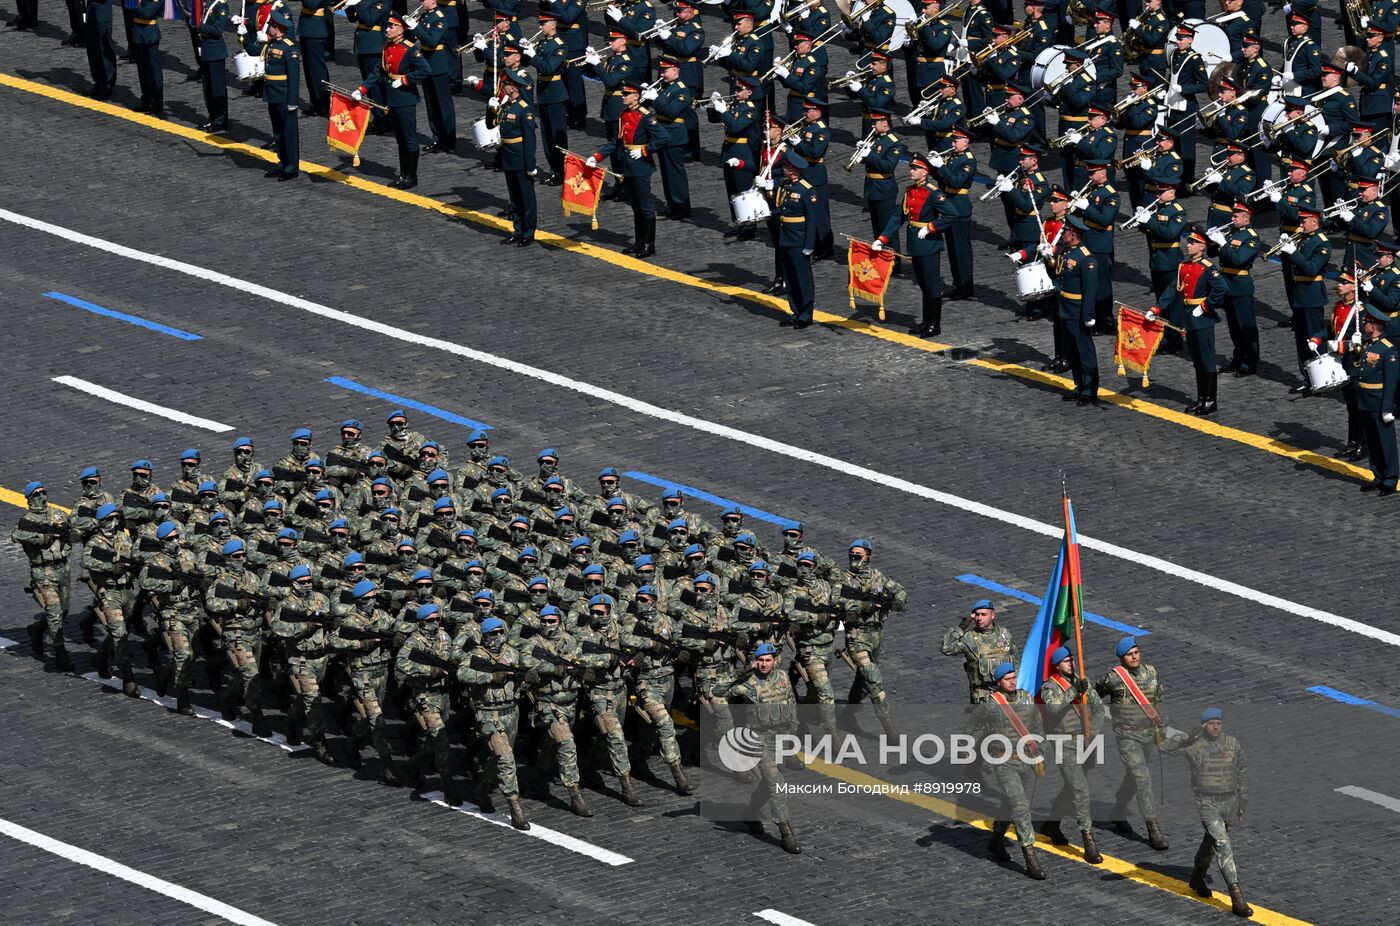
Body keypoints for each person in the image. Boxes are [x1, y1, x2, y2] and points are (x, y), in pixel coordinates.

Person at [1161, 708, 1253, 918]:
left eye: (1218, 723)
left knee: (1211, 842)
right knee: (1222, 844)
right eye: (1211, 724)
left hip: (1229, 802)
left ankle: (1197, 877)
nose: (1215, 727)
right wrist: (1186, 735)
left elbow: (1242, 769)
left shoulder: (1232, 744)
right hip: (1207, 803)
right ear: (1204, 725)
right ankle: (1236, 895)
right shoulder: (1195, 746)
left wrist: (1243, 798)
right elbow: (1164, 748)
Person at [716, 642, 802, 854]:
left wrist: (792, 732)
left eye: (768, 660)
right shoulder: (749, 683)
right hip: (759, 740)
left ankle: (750, 812)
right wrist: (743, 670)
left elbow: (791, 703)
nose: (764, 664)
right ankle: (786, 834)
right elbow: (717, 690)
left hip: (781, 738)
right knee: (776, 784)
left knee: (768, 784)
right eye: (760, 660)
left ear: (775, 661)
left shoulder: (783, 677)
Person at [1095, 635, 1170, 850]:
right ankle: (1153, 829)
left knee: (1133, 777)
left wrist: (1162, 728)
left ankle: (1118, 810)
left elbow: (1159, 700)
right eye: (1129, 654)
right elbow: (1094, 696)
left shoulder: (1151, 672)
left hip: (1148, 735)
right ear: (1122, 658)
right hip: (1127, 737)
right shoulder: (1114, 679)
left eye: (1136, 652)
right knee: (1143, 780)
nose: (1134, 657)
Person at [977, 663, 1047, 880]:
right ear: (998, 682)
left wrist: (1040, 752)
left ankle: (996, 840)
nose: (1012, 682)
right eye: (1007, 679)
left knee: (1011, 803)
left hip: (1026, 759)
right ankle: (1030, 858)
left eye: (1014, 677)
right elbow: (973, 728)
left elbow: (1037, 726)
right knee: (1021, 807)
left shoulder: (1026, 698)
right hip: (1004, 762)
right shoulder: (991, 705)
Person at [1150, 225, 1229, 415]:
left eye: (1193, 242)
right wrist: (1156, 308)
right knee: (1197, 361)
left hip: (1202, 319)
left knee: (1207, 360)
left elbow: (1222, 289)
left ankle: (1210, 400)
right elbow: (1173, 289)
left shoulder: (1208, 268)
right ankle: (1201, 398)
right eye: (1189, 241)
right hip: (1189, 318)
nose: (1188, 245)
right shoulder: (1183, 266)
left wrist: (1205, 306)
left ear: (1202, 247)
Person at [877, 153, 956, 337]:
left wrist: (931, 227)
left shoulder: (933, 193)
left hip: (929, 244)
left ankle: (934, 325)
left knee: (932, 285)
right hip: (915, 243)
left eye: (915, 169)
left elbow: (952, 214)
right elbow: (899, 216)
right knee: (923, 284)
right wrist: (883, 238)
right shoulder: (910, 190)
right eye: (912, 168)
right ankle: (926, 322)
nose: (911, 171)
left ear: (925, 172)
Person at [1036, 645, 1103, 863]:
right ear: (1057, 666)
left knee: (1072, 786)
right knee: (1081, 790)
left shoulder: (1083, 681)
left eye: (1072, 659)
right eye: (1066, 661)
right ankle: (1088, 840)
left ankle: (1052, 824)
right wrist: (1074, 691)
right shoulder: (1050, 687)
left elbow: (1099, 708)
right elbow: (1053, 708)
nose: (1071, 664)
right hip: (1063, 743)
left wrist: (1093, 733)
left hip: (1086, 741)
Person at [589, 80, 669, 258]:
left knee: (645, 206)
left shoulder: (646, 116)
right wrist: (597, 156)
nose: (622, 96)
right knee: (636, 206)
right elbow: (617, 141)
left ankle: (648, 244)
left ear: (636, 96)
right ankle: (639, 242)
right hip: (628, 165)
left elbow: (663, 138)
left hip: (640, 166)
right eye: (623, 93)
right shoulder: (624, 114)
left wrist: (645, 150)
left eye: (626, 94)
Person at [834, 539, 905, 737]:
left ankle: (848, 715)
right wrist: (866, 605)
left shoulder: (877, 577)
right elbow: (839, 602)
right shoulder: (843, 579)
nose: (854, 559)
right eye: (851, 555)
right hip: (857, 636)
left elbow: (900, 592)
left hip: (876, 635)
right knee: (874, 679)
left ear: (868, 556)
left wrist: (891, 603)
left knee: (863, 681)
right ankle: (890, 729)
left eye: (858, 555)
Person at [355, 14, 431, 189]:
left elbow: (425, 70)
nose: (387, 29)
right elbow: (378, 71)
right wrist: (362, 89)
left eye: (391, 27)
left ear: (401, 29)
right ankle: (403, 175)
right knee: (400, 139)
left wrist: (405, 79)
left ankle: (411, 176)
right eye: (387, 26)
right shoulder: (387, 46)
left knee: (409, 138)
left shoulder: (410, 49)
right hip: (392, 98)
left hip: (405, 98)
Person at [13, 481, 74, 671]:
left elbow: (73, 527)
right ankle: (60, 653)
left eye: (43, 493)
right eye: (37, 494)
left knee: (63, 611)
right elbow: (17, 535)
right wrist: (42, 538)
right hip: (43, 572)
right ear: (29, 499)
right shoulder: (27, 520)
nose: (41, 497)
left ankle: (37, 630)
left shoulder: (57, 514)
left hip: (63, 568)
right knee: (54, 614)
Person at [1350, 305, 1400, 494]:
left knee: (1386, 443)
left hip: (1379, 403)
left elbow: (1392, 382)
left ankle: (1390, 479)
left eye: (1367, 322)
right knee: (1371, 442)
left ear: (1374, 326)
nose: (1364, 324)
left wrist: (1388, 407)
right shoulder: (1367, 345)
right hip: (1365, 400)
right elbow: (1355, 368)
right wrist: (1355, 350)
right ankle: (1378, 475)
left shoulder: (1388, 351)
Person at [1211, 203, 1262, 378]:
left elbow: (1237, 260)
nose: (1232, 219)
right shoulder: (1231, 233)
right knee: (1234, 328)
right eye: (1232, 216)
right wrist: (1211, 240)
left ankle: (1250, 363)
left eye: (1236, 216)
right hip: (1227, 285)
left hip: (1240, 286)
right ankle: (1238, 359)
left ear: (1246, 218)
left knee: (1246, 327)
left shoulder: (1251, 238)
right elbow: (1214, 254)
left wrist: (1223, 243)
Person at [1052, 216, 1100, 405]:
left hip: (1078, 311)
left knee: (1084, 353)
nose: (1062, 234)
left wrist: (1088, 315)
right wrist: (1049, 258)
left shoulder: (1086, 259)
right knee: (1072, 352)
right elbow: (1059, 275)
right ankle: (1079, 385)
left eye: (1065, 232)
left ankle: (1089, 389)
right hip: (1065, 308)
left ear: (1074, 234)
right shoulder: (1067, 252)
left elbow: (1090, 291)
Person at [770, 150, 819, 329]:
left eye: (785, 167)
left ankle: (805, 315)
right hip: (785, 238)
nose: (783, 169)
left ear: (793, 169)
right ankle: (796, 311)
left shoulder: (806, 190)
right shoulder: (785, 185)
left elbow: (812, 220)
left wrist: (809, 245)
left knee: (802, 279)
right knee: (790, 278)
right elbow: (780, 209)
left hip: (799, 240)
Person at [939, 598, 1016, 703]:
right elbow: (946, 649)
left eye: (984, 615)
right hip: (983, 697)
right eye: (977, 615)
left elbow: (1015, 662)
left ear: (993, 615)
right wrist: (961, 627)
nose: (979, 618)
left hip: (1006, 696)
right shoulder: (969, 638)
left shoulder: (1005, 635)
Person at [261, 8, 302, 181]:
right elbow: (254, 50)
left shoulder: (289, 49)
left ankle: (291, 167)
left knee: (288, 133)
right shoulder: (272, 44)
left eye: (270, 25)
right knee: (278, 132)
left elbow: (294, 78)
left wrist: (293, 100)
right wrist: (245, 36)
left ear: (276, 28)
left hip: (284, 96)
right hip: (273, 95)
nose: (267, 28)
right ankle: (283, 162)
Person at [195, 0, 231, 131]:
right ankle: (212, 117)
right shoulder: (207, 3)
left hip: (215, 51)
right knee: (208, 89)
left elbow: (217, 30)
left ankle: (220, 121)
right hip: (206, 49)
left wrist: (200, 26)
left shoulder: (220, 5)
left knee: (217, 89)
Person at [129, 0, 165, 115]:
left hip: (149, 35)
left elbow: (147, 13)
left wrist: (133, 5)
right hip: (138, 34)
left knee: (153, 71)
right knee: (143, 71)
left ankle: (156, 103)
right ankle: (146, 100)